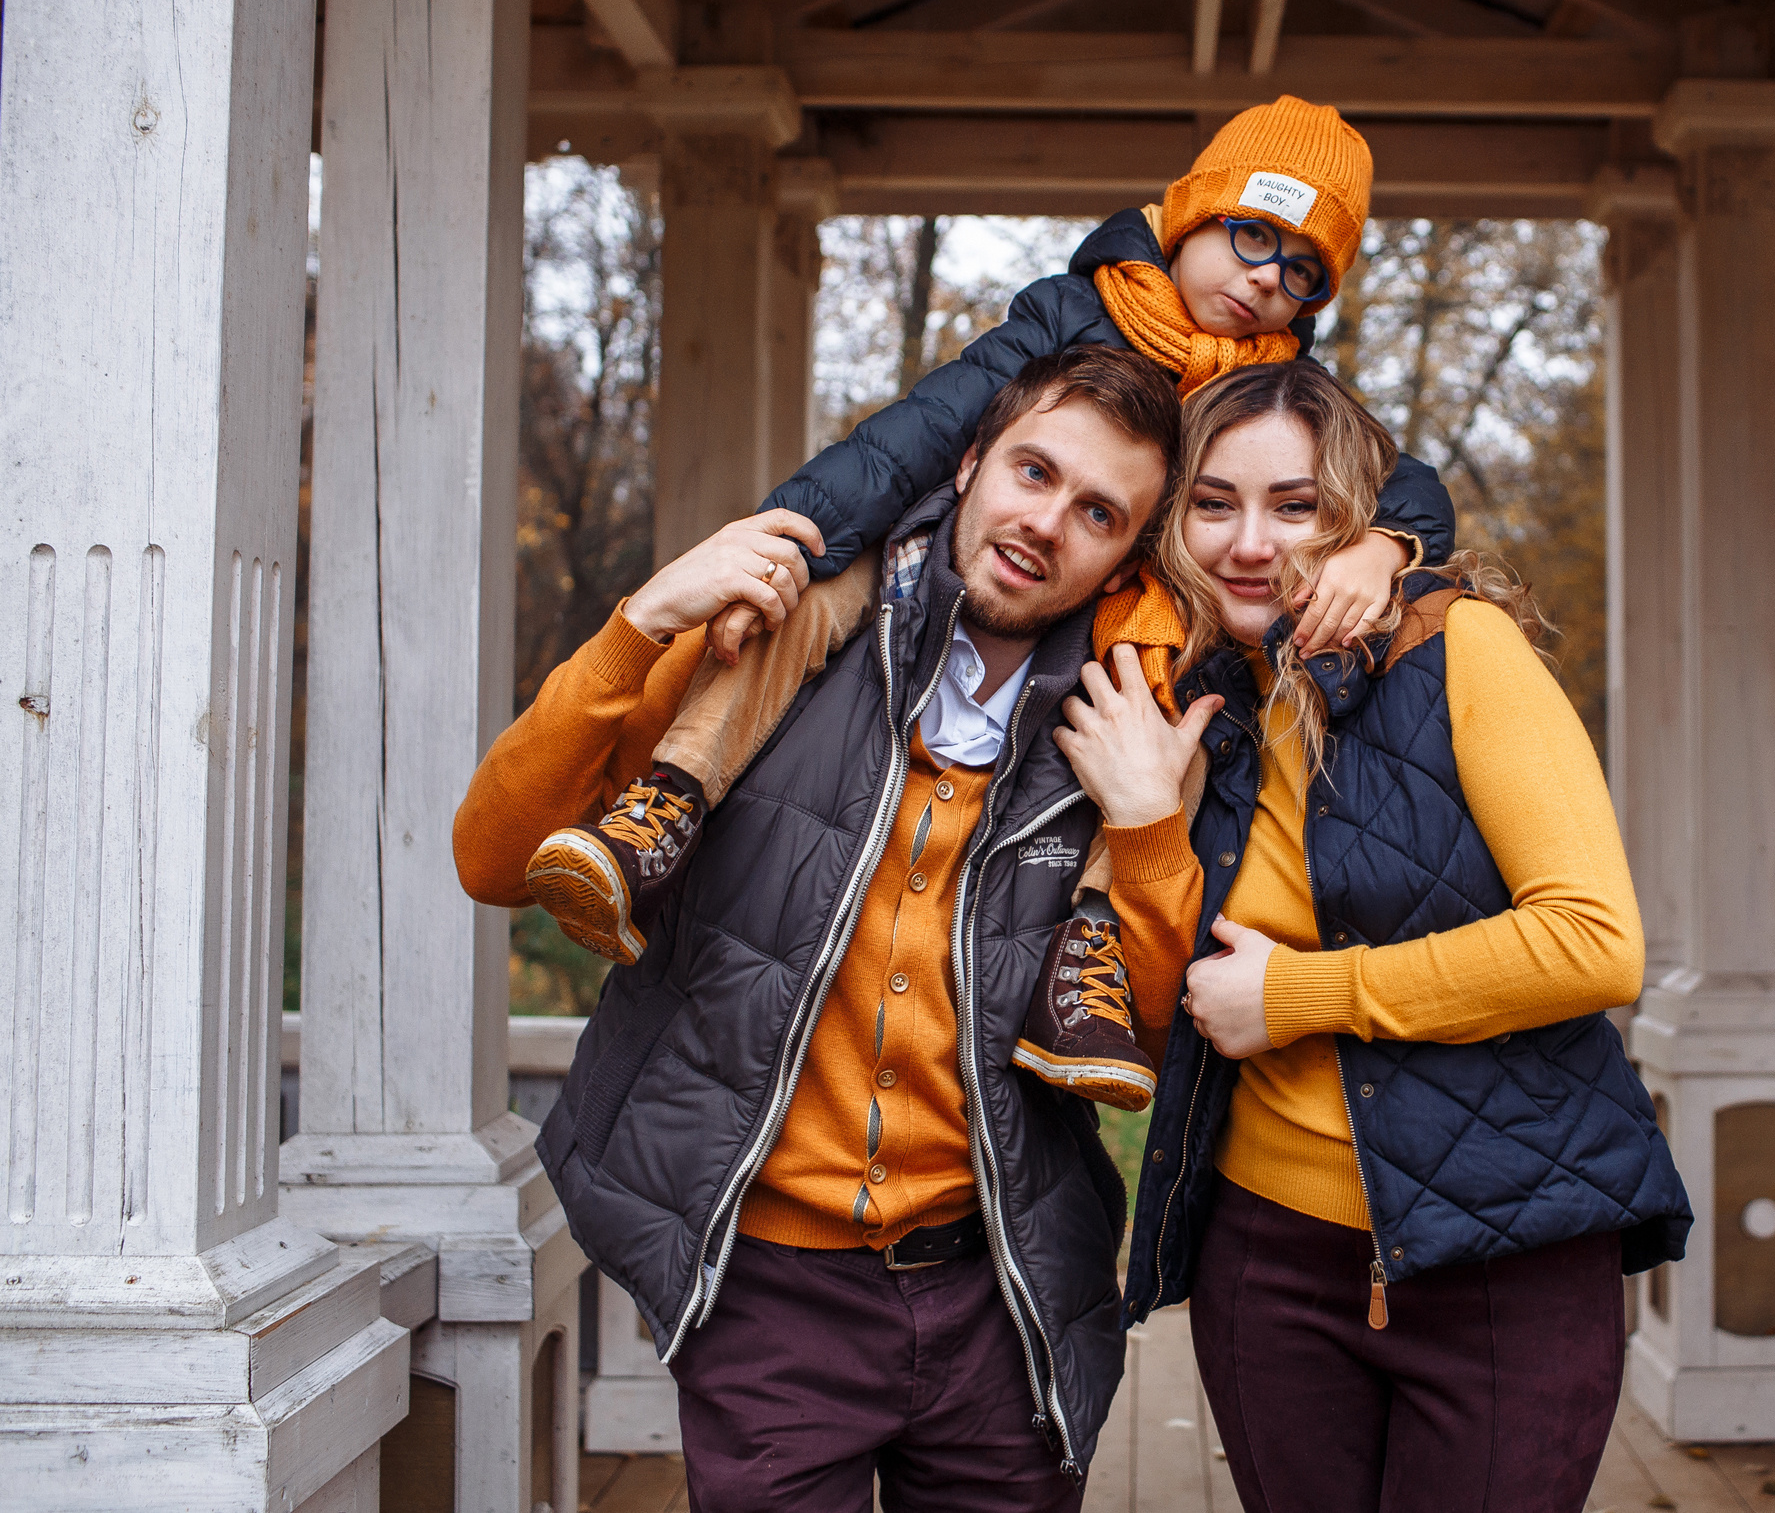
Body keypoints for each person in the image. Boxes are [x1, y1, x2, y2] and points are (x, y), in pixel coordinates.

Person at [520, 95, 1457, 1109]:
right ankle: (662, 805)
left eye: (1303, 271)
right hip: (943, 566)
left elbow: (1407, 486)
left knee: (1172, 708)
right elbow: (915, 433)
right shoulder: (1066, 314)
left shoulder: (1274, 389)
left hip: (1116, 611)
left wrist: (1384, 541)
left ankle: (1086, 957)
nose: (1269, 278)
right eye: (1254, 236)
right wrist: (785, 533)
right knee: (815, 591)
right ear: (1190, 216)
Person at [454, 348, 1217, 1507]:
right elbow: (492, 859)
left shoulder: (1126, 732)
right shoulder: (773, 643)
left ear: (1128, 552)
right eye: (1032, 470)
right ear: (968, 463)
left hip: (999, 1300)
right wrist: (642, 620)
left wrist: (1153, 828)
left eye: (1097, 511)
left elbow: (1145, 1041)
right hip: (767, 1296)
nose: (1047, 521)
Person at [1056, 361, 1693, 1513]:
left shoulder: (1458, 652)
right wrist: (1147, 827)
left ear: (1357, 515)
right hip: (1265, 1255)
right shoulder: (1186, 706)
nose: (1251, 541)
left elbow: (1594, 942)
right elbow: (1147, 1010)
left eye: (1295, 506)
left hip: (1504, 1251)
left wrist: (1304, 994)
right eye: (1213, 503)